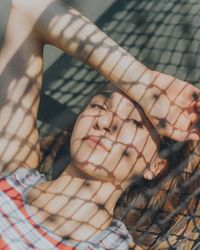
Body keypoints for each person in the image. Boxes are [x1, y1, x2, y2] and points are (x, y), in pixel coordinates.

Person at [0, 0, 199, 249]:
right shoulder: (10, 172)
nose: (105, 123)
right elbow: (30, 8)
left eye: (135, 123)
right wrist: (142, 83)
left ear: (155, 165)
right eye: (99, 106)